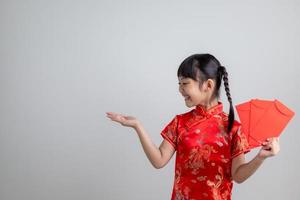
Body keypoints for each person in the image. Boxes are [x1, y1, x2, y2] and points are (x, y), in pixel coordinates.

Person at [106, 53, 280, 200]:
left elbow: (238, 176)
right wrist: (138, 126)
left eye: (185, 83)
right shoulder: (180, 122)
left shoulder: (232, 128)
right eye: (179, 84)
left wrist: (260, 158)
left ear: (208, 85)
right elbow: (159, 161)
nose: (180, 90)